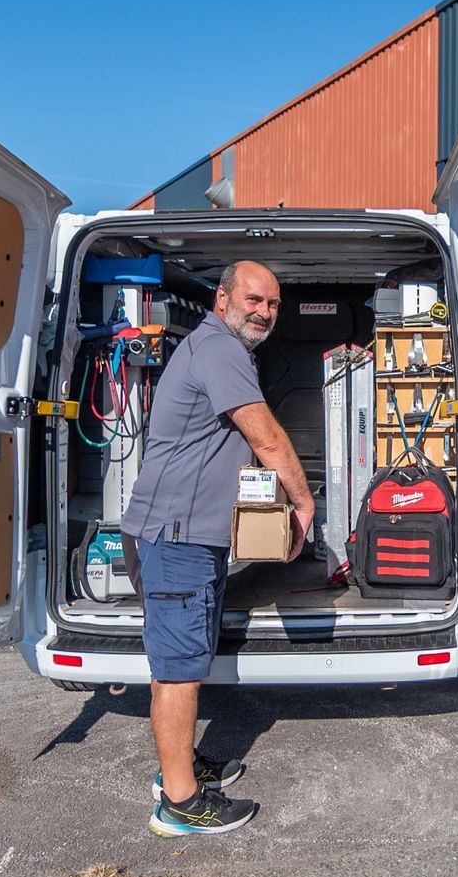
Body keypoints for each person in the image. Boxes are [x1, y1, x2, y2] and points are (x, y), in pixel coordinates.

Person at [119, 259, 314, 836]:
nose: (264, 312)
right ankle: (179, 803)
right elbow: (269, 438)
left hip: (177, 537)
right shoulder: (221, 350)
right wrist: (303, 507)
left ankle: (178, 767)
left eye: (273, 305)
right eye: (254, 299)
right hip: (176, 539)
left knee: (175, 663)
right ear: (222, 297)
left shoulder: (215, 348)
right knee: (179, 671)